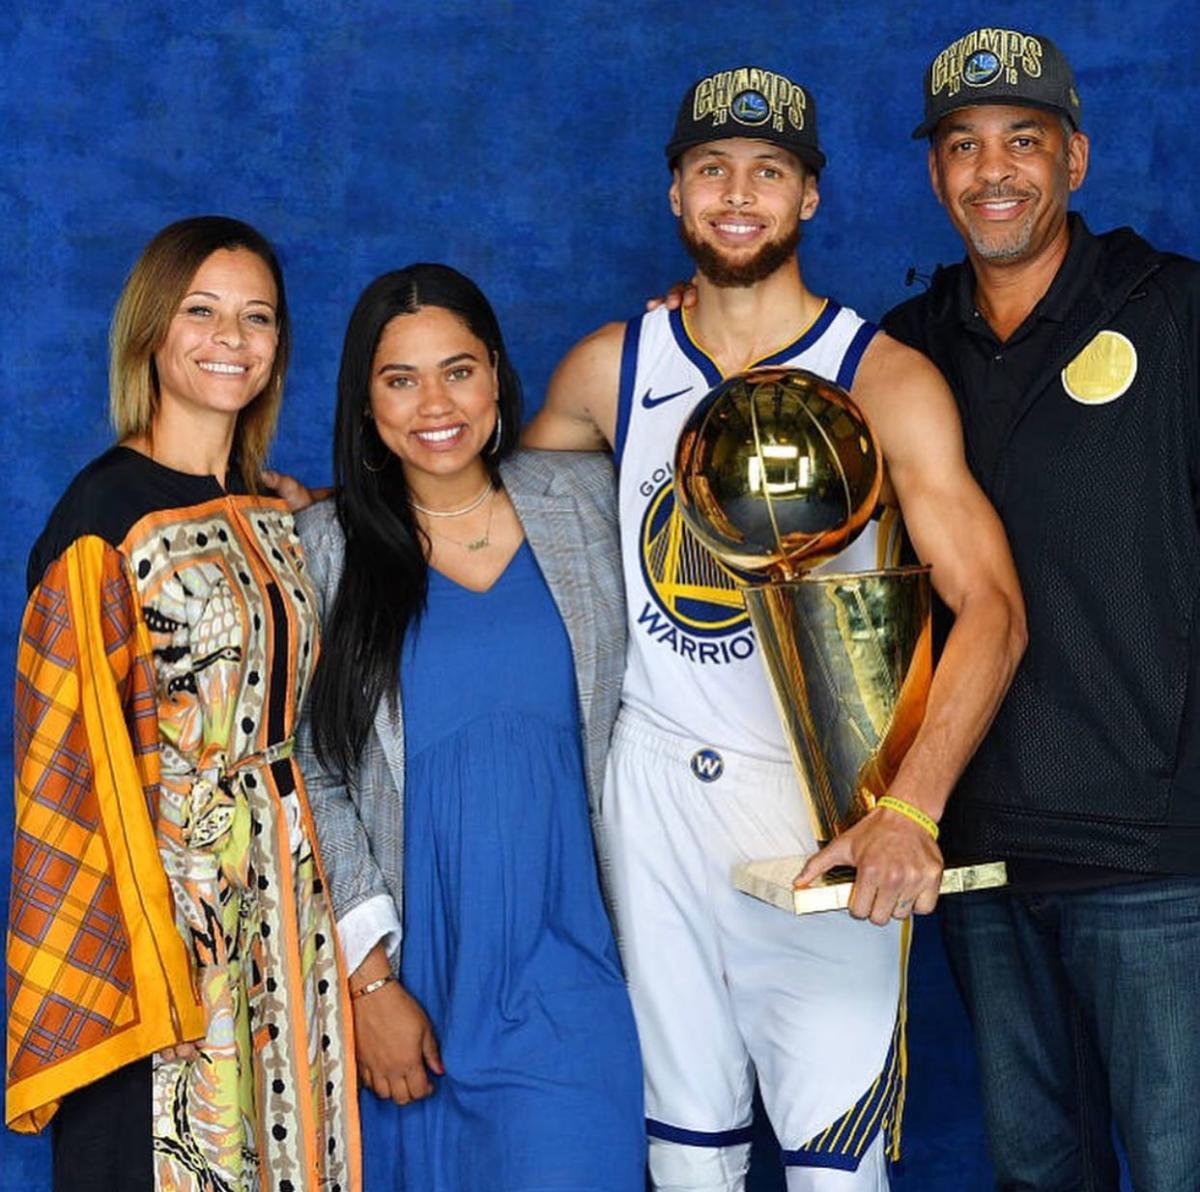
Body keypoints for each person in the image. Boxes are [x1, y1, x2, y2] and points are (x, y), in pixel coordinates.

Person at [524, 66, 1026, 1191]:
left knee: (834, 1166)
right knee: (684, 1158)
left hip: (817, 800)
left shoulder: (883, 378)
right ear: (675, 196)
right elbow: (472, 508)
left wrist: (911, 807)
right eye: (712, 169)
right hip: (647, 785)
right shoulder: (612, 369)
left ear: (811, 199)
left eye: (769, 171)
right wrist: (335, 502)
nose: (737, 193)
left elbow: (994, 607)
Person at [881, 28, 1200, 1191]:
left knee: (1177, 1166)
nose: (992, 171)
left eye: (1023, 140)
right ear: (933, 174)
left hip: (1155, 848)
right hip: (977, 849)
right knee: (1034, 1172)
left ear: (1076, 157)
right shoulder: (903, 349)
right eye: (963, 147)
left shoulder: (1173, 314)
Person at [5, 216, 359, 1190]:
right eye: (202, 311)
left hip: (285, 914)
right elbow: (65, 774)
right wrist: (131, 958)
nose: (231, 339)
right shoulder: (101, 522)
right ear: (153, 330)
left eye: (257, 317)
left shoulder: (263, 507)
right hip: (167, 923)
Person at [294, 263, 646, 1190]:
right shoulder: (322, 552)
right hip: (415, 998)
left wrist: (702, 321)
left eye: (457, 370)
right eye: (399, 380)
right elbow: (313, 771)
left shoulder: (591, 502)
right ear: (365, 405)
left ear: (497, 375)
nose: (433, 404)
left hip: (575, 974)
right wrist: (369, 985)